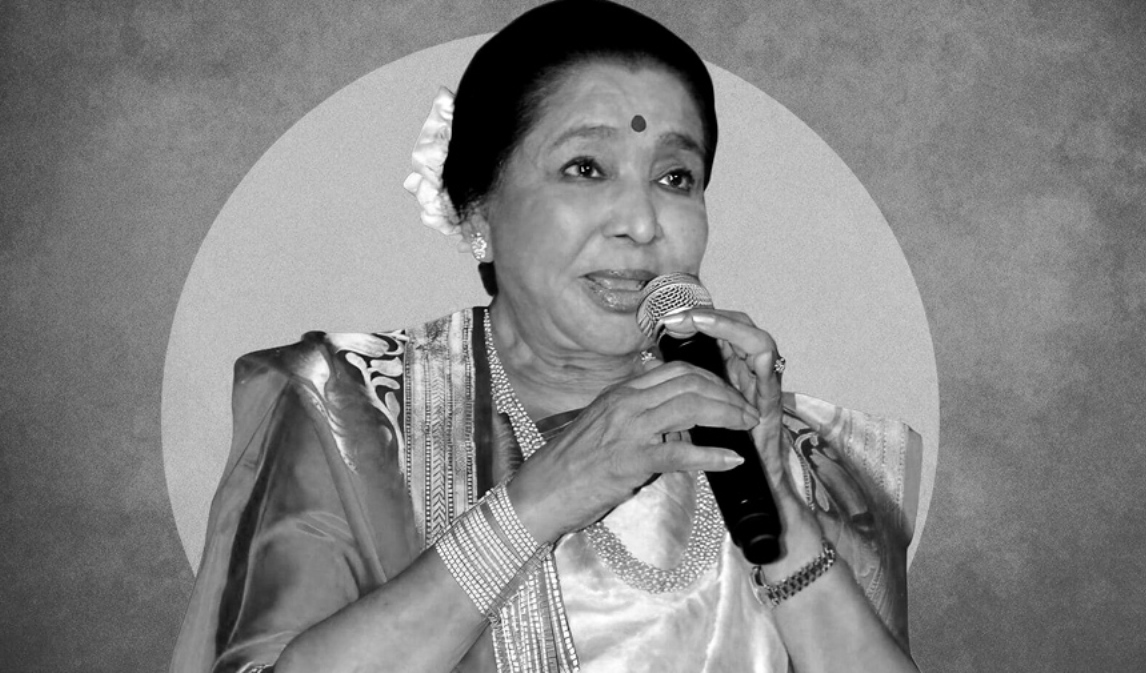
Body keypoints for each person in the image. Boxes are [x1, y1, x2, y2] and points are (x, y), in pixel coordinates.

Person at [170, 1, 923, 671]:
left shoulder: (807, 461)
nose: (642, 223)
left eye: (675, 178)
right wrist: (540, 500)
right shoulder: (351, 410)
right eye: (586, 168)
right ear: (477, 211)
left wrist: (782, 516)